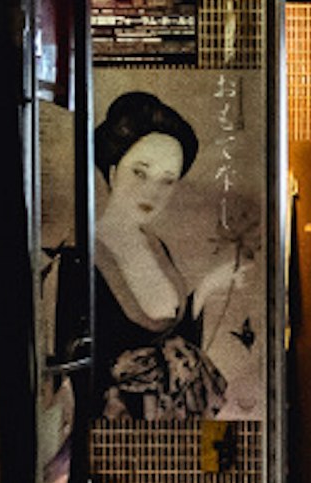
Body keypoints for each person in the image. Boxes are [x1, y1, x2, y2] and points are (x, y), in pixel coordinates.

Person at [90, 90, 247, 420]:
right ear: (113, 170)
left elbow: (175, 339)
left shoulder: (155, 246)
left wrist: (206, 287)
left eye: (167, 180)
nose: (152, 192)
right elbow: (78, 368)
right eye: (140, 172)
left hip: (176, 428)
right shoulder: (83, 258)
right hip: (119, 433)